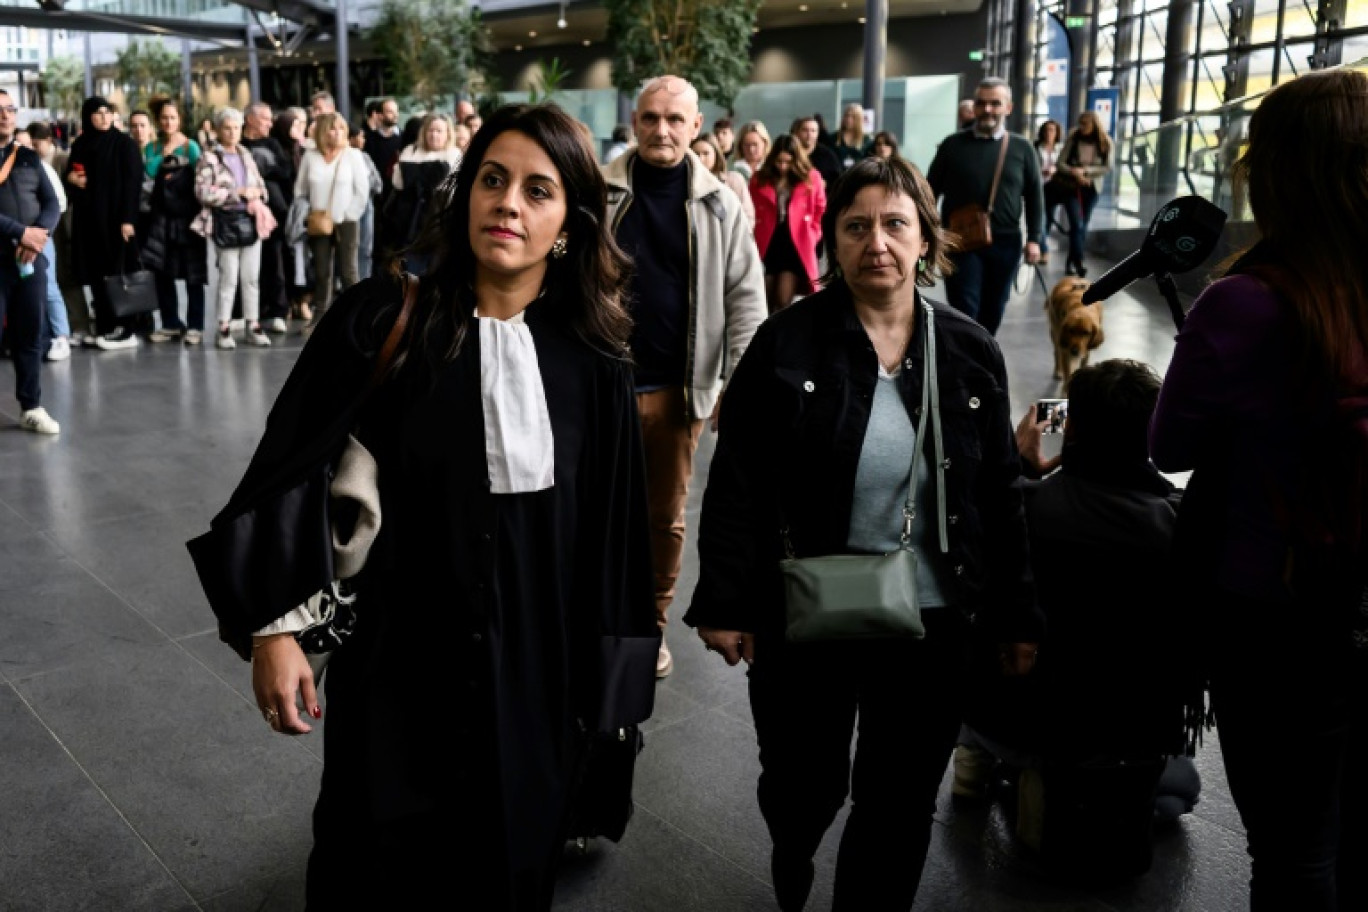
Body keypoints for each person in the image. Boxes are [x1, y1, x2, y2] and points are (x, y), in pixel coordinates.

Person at [199, 102, 658, 910]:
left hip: (537, 675)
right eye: (492, 179)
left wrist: (611, 692)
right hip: (399, 660)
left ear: (569, 225)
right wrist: (275, 631)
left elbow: (616, 536)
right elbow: (282, 468)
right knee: (372, 862)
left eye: (537, 190)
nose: (508, 202)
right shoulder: (384, 318)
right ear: (465, 193)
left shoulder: (597, 358)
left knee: (509, 863)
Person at [686, 154, 1041, 911]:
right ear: (834, 242)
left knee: (902, 797)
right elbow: (738, 481)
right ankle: (793, 842)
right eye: (856, 227)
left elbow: (1000, 493)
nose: (875, 241)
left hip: (934, 618)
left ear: (923, 240)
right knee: (803, 781)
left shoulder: (969, 349)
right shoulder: (787, 343)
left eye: (893, 224)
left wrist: (1016, 615)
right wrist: (724, 599)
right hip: (807, 607)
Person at [1150, 68, 1368, 912]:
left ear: (1278, 173)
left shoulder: (1242, 303)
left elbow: (1169, 445)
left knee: (1293, 850)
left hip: (1274, 617)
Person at [960, 359, 1196, 881]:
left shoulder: (1022, 506)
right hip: (1126, 729)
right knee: (1180, 790)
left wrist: (1022, 468)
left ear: (1074, 429)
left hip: (1016, 711)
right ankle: (1034, 780)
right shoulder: (1180, 522)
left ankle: (983, 757)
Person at [604, 74, 767, 678]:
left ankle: (648, 623)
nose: (662, 130)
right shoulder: (599, 191)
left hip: (677, 392)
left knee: (661, 518)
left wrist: (736, 389)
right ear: (635, 123)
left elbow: (747, 303)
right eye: (650, 118)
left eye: (675, 119)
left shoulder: (720, 203)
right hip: (603, 388)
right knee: (593, 508)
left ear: (697, 126)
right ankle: (593, 616)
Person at [927, 77, 1044, 336]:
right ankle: (968, 359)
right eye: (982, 103)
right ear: (974, 107)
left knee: (994, 307)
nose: (988, 109)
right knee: (964, 306)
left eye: (995, 103)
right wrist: (924, 232)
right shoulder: (952, 145)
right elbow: (928, 192)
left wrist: (1035, 239)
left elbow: (1035, 196)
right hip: (959, 240)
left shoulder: (1022, 148)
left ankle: (981, 354)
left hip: (1005, 242)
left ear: (1008, 108)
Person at [0, 91, 62, 434]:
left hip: (29, 260)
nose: (5, 116)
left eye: (10, 109)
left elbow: (51, 202)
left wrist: (38, 235)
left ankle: (31, 405)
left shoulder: (27, 156)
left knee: (30, 334)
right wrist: (22, 232)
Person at [65, 96, 145, 350]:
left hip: (116, 221)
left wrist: (128, 219)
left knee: (118, 273)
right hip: (89, 222)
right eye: (97, 113)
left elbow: (134, 185)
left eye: (107, 112)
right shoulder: (80, 144)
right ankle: (105, 326)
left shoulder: (124, 144)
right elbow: (74, 178)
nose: (103, 117)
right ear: (88, 116)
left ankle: (126, 328)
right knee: (97, 274)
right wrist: (72, 180)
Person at [193, 107, 273, 350]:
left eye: (236, 127)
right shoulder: (209, 157)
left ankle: (253, 324)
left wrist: (257, 193)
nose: (232, 132)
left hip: (250, 221)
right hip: (225, 222)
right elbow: (202, 192)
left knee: (251, 278)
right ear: (217, 130)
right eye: (227, 127)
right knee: (228, 278)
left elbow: (261, 186)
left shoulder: (245, 154)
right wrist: (234, 193)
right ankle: (224, 327)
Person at [294, 111, 369, 330]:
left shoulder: (352, 155)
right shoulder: (310, 156)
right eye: (332, 128)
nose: (337, 133)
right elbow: (300, 190)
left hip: (347, 220)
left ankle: (357, 316)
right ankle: (320, 315)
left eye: (341, 128)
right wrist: (309, 212)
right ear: (322, 131)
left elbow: (362, 191)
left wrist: (349, 215)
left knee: (348, 271)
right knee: (321, 271)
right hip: (319, 220)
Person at [142, 96, 207, 346]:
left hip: (188, 218)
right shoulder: (152, 147)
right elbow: (148, 172)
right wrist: (166, 155)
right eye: (164, 118)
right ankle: (170, 323)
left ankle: (195, 325)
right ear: (158, 121)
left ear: (179, 120)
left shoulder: (191, 147)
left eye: (173, 117)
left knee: (194, 275)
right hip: (160, 219)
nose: (168, 122)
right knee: (162, 273)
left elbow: (201, 179)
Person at [750, 133, 825, 312]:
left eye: (788, 162)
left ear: (796, 160)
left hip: (795, 243)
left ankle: (778, 337)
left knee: (783, 299)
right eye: (779, 161)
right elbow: (750, 206)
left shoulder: (810, 177)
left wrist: (813, 233)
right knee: (762, 297)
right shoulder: (761, 178)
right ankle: (765, 336)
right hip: (769, 240)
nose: (783, 166)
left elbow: (821, 208)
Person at [20, 123, 73, 361]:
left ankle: (61, 336)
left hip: (41, 237)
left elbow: (58, 202)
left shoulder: (39, 167)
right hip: (14, 239)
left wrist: (40, 232)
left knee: (49, 287)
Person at [385, 113, 463, 270]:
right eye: (431, 130)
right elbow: (399, 181)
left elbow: (443, 178)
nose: (434, 135)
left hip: (439, 219)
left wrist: (413, 171)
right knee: (409, 269)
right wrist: (431, 171)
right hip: (408, 219)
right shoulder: (411, 150)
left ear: (448, 133)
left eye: (439, 131)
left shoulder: (454, 153)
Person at [242, 102, 294, 333]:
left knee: (275, 263)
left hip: (274, 213)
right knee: (246, 267)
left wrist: (258, 169)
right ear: (251, 119)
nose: (270, 123)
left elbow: (284, 171)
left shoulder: (273, 144)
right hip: (242, 215)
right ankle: (248, 312)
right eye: (265, 119)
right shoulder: (239, 145)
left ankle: (278, 310)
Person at [1052, 111, 1112, 277]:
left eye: (1086, 124)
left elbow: (1107, 167)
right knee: (1076, 224)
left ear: (1094, 124)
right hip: (1072, 188)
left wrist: (1086, 172)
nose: (1083, 127)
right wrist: (1075, 172)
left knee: (1082, 226)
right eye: (1081, 123)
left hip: (1092, 188)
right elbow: (1060, 163)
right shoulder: (1073, 139)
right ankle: (1078, 261)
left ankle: (1071, 261)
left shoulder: (1105, 142)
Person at [271, 111, 311, 322]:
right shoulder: (277, 150)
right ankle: (286, 303)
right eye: (294, 126)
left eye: (301, 125)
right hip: (281, 212)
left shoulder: (305, 150)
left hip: (301, 213)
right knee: (283, 262)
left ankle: (303, 301)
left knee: (302, 261)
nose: (298, 130)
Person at [690, 131, 753, 227]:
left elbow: (747, 217)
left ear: (716, 154)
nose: (700, 158)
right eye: (696, 154)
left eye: (706, 153)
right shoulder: (685, 182)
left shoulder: (733, 180)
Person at [349, 126, 384, 280]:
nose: (363, 140)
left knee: (365, 248)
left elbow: (378, 184)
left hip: (366, 204)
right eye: (360, 136)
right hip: (347, 205)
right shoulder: (343, 156)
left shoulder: (365, 157)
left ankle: (364, 280)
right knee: (349, 248)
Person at [790, 114, 842, 195]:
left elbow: (837, 179)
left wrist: (825, 184)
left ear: (818, 133)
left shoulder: (827, 155)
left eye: (813, 131)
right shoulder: (790, 152)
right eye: (805, 130)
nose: (809, 134)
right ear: (797, 132)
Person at [1034, 119, 1063, 265]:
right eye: (1046, 130)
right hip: (1038, 186)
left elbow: (1064, 166)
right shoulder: (1035, 146)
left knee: (1049, 219)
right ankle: (1044, 249)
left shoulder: (1061, 149)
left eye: (1052, 130)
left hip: (1054, 188)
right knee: (1041, 218)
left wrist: (1055, 170)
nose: (1049, 133)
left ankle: (1041, 243)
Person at [361, 96, 403, 193]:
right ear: (380, 115)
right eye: (390, 112)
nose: (395, 115)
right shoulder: (369, 139)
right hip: (377, 191)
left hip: (398, 192)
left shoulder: (404, 137)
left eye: (396, 111)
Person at [833, 102, 871, 170]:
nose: (848, 119)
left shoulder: (867, 140)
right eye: (846, 116)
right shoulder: (833, 138)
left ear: (860, 119)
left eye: (853, 117)